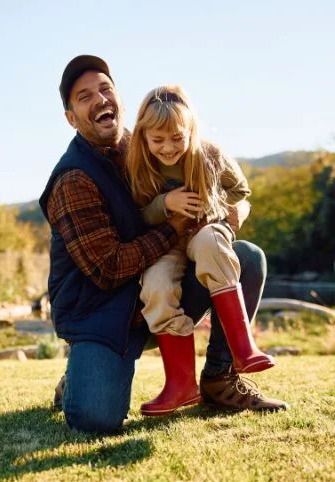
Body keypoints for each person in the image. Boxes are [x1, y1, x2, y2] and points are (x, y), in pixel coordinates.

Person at [40, 55, 288, 434]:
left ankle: (220, 378)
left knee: (246, 258)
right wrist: (175, 225)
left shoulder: (150, 143)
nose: (100, 99)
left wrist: (236, 208)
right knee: (97, 418)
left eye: (105, 88)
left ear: (120, 99)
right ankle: (81, 369)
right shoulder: (72, 179)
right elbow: (109, 269)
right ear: (71, 117)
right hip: (103, 310)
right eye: (84, 96)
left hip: (155, 286)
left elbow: (224, 180)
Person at [126, 84, 275, 417]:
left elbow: (240, 191)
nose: (168, 147)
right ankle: (181, 385)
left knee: (212, 244)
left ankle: (242, 347)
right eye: (158, 139)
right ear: (144, 136)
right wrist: (164, 204)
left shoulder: (209, 154)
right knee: (156, 286)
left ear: (190, 131)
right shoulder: (138, 165)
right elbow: (135, 216)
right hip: (165, 241)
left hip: (205, 229)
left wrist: (231, 212)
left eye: (177, 138)